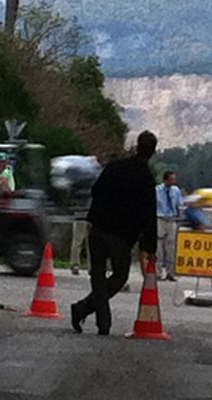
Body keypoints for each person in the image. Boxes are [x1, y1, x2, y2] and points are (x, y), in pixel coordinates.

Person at [71, 131, 158, 336]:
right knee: (119, 276)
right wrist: (149, 247)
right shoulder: (146, 179)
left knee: (98, 276)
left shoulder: (115, 167)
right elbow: (149, 215)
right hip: (121, 235)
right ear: (152, 152)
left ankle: (98, 318)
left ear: (137, 146)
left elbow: (96, 191)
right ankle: (88, 312)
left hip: (99, 228)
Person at [156, 171, 183, 282]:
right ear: (165, 180)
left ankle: (170, 273)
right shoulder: (157, 190)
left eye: (174, 179)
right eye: (171, 179)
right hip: (160, 219)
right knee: (159, 247)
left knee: (171, 248)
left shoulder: (176, 190)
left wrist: (179, 218)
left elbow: (179, 205)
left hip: (172, 219)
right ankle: (158, 273)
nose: (173, 182)